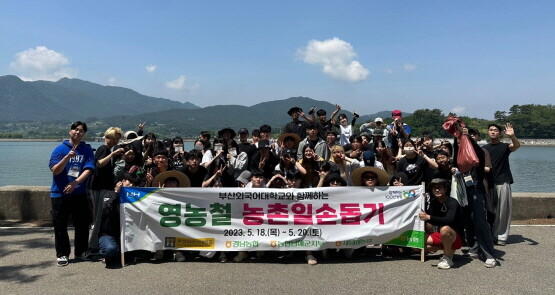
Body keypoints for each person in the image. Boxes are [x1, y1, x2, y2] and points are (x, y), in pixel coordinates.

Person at [49, 121, 95, 266]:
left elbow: (89, 169)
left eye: (81, 131)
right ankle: (62, 254)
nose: (77, 132)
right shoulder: (59, 149)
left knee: (82, 224)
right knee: (60, 225)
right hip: (59, 194)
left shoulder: (86, 150)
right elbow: (55, 170)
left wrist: (75, 183)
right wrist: (67, 157)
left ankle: (81, 251)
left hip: (79, 193)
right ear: (70, 132)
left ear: (84, 134)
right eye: (75, 130)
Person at [95, 171, 144, 268]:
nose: (131, 186)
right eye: (129, 183)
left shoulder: (135, 198)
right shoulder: (109, 194)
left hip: (129, 234)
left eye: (134, 185)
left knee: (136, 254)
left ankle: (121, 253)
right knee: (110, 250)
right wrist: (116, 193)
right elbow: (106, 209)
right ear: (122, 182)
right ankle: (107, 253)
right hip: (109, 234)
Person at [483, 123, 520, 246]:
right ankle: (490, 233)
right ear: (488, 132)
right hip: (488, 183)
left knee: (503, 211)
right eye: (491, 130)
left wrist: (512, 136)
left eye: (495, 130)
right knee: (489, 211)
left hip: (502, 181)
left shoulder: (504, 147)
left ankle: (501, 236)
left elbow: (516, 146)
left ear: (500, 133)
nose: (493, 132)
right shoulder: (484, 148)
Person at [88, 127, 124, 254]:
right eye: (116, 138)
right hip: (99, 188)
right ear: (110, 138)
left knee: (100, 217)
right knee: (98, 217)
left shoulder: (106, 149)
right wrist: (113, 154)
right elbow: (99, 163)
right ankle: (93, 246)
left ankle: (95, 244)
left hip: (102, 187)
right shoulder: (103, 149)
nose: (116, 141)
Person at [418, 178, 464, 269]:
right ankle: (448, 249)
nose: (437, 190)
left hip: (455, 237)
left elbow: (449, 220)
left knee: (445, 229)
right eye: (434, 188)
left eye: (440, 187)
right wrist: (422, 200)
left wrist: (429, 217)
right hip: (440, 236)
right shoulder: (433, 203)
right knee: (416, 243)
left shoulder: (453, 202)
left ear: (445, 189)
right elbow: (428, 218)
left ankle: (447, 259)